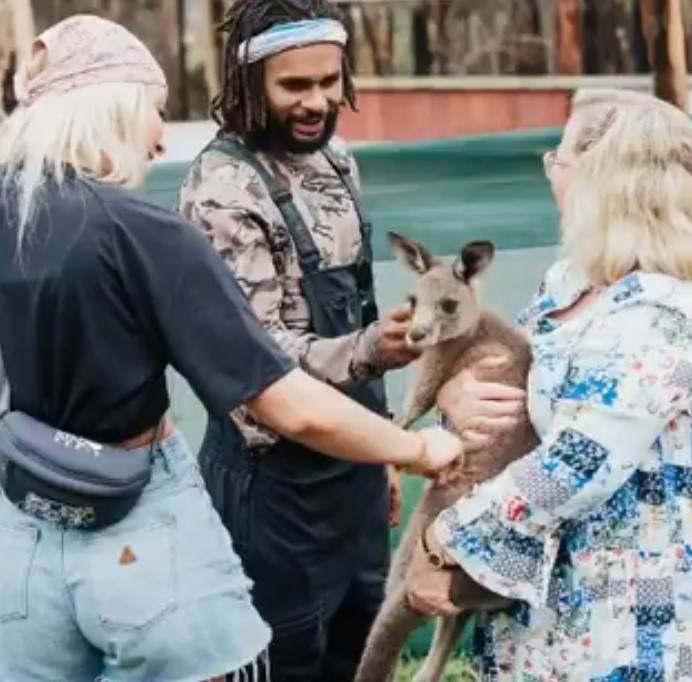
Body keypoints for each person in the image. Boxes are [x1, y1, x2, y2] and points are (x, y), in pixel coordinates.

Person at [0, 15, 463, 682]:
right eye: (154, 113)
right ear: (113, 112)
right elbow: (284, 403)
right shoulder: (145, 232)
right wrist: (416, 449)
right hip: (146, 510)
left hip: (26, 512)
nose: (159, 139)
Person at [405, 87, 692, 680]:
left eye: (556, 160)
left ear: (601, 179)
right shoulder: (570, 284)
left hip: (617, 628)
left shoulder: (659, 313)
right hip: (532, 614)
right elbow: (511, 388)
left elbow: (576, 463)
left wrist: (444, 541)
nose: (550, 174)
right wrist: (455, 405)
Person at [177, 2, 423, 680]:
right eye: (295, 87)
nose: (317, 102)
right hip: (274, 493)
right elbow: (263, 360)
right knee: (284, 664)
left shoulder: (338, 162)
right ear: (250, 81)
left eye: (329, 81)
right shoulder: (222, 190)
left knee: (365, 652)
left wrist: (381, 451)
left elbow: (354, 315)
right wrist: (374, 349)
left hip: (353, 475)